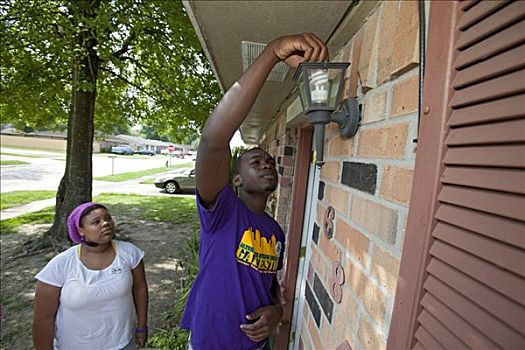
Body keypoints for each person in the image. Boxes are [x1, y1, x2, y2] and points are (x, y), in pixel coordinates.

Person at [180, 33, 328, 349]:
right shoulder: (222, 212)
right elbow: (213, 141)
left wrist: (277, 311)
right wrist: (273, 52)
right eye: (255, 161)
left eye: (270, 161)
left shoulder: (275, 231)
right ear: (236, 180)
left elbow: (268, 284)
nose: (266, 164)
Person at [32, 202, 149, 350]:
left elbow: (140, 288)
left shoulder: (130, 253)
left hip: (123, 343)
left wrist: (142, 327)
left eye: (108, 218)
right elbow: (43, 320)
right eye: (96, 222)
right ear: (81, 231)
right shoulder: (60, 266)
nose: (106, 223)